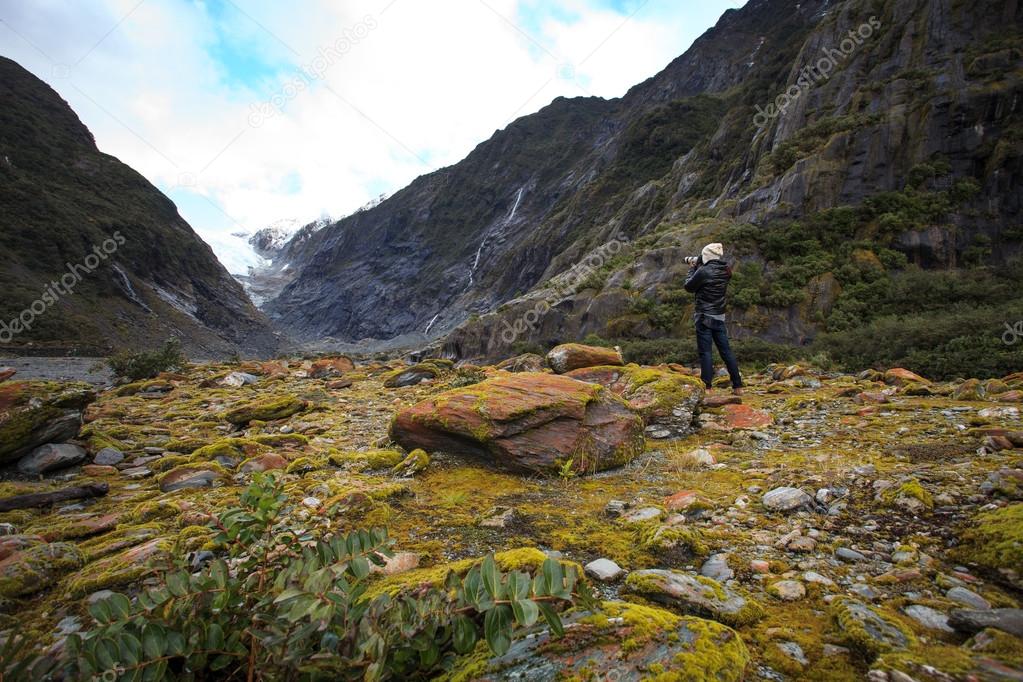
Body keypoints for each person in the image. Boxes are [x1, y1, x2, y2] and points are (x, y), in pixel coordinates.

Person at [683, 242, 743, 395]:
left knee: (706, 353)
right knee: (726, 352)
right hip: (719, 316)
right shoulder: (726, 271)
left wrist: (692, 268)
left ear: (706, 256)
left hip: (704, 316)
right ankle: (737, 386)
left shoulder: (703, 271)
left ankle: (707, 388)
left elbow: (689, 287)